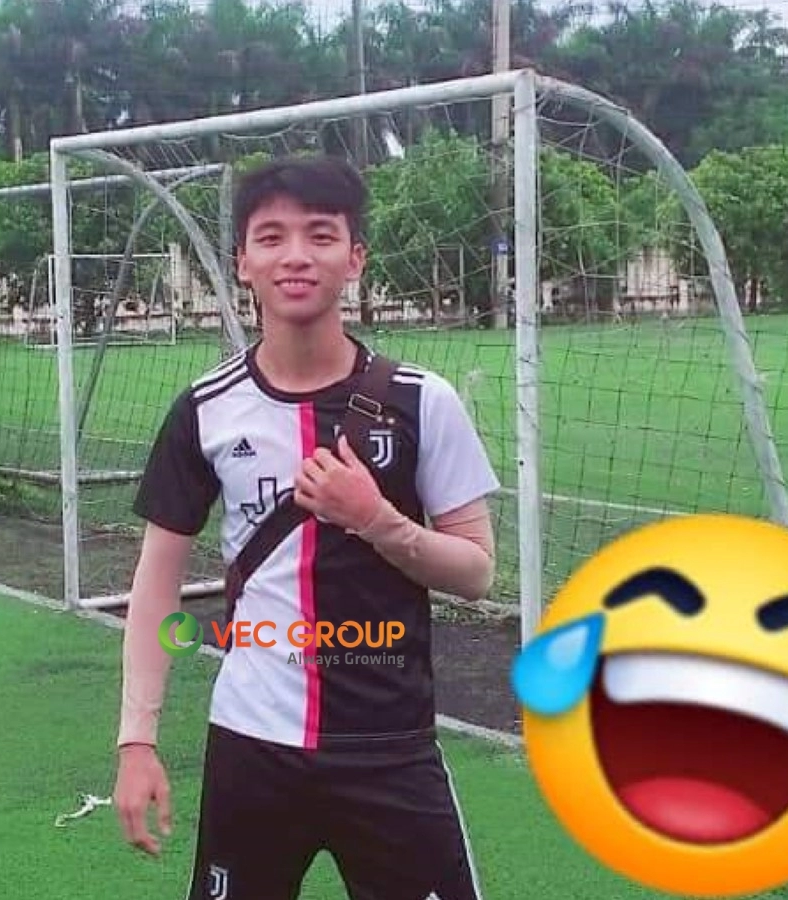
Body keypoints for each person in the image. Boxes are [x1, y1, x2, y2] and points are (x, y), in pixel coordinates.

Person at [113, 153, 500, 900]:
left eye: (320, 235)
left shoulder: (424, 401)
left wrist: (378, 521)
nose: (296, 255)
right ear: (243, 263)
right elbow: (156, 583)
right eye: (272, 237)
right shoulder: (204, 409)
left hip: (388, 746)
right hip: (252, 746)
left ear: (355, 259)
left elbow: (477, 572)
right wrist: (137, 740)